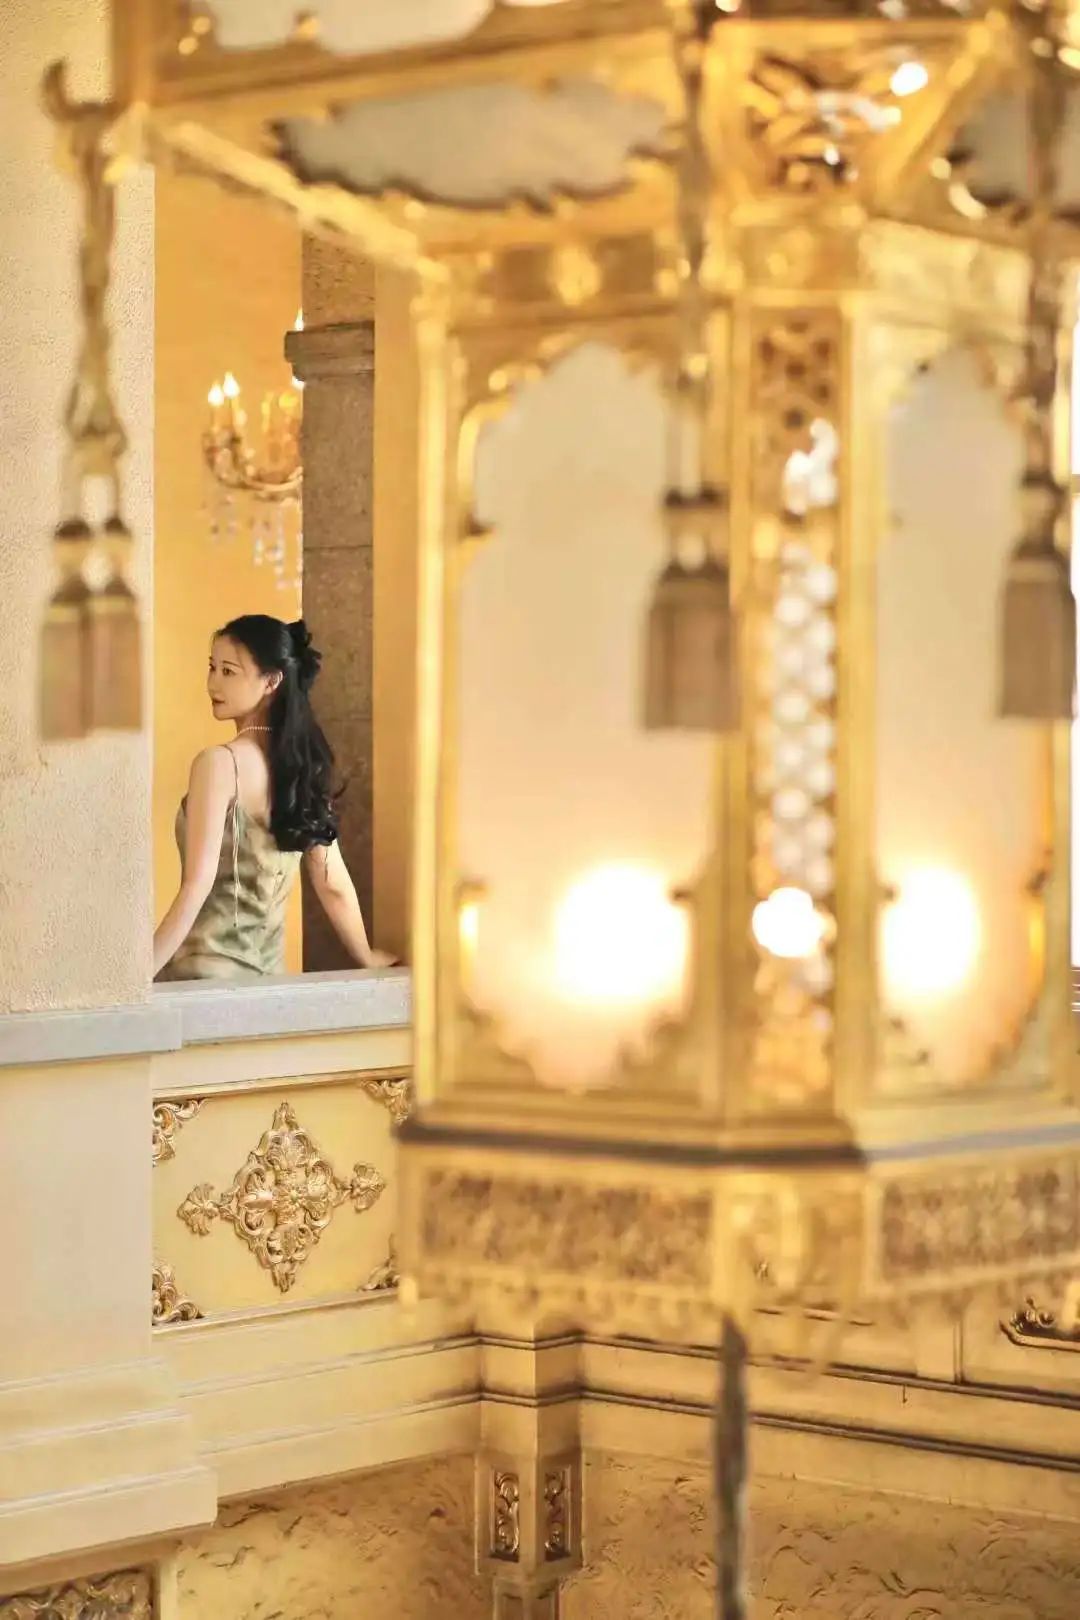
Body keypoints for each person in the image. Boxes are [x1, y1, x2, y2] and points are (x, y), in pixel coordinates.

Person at [154, 614, 394, 981]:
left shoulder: (219, 764)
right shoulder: (301, 769)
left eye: (229, 671)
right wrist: (366, 956)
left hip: (204, 978)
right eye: (212, 667)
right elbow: (331, 881)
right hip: (269, 985)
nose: (213, 683)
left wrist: (137, 979)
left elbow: (196, 886)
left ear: (271, 681)